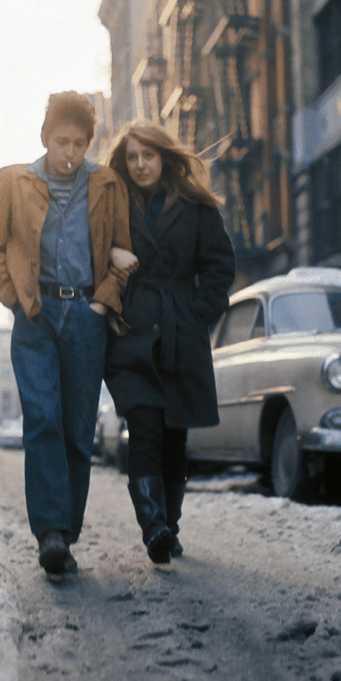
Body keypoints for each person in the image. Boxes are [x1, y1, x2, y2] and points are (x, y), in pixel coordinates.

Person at [0, 91, 134, 576]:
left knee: (78, 425)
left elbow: (122, 255)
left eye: (80, 143)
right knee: (43, 416)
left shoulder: (108, 184)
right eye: (61, 141)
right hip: (36, 316)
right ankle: (49, 533)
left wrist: (103, 300)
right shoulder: (11, 182)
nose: (69, 152)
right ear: (45, 138)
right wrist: (19, 300)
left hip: (86, 315)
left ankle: (67, 531)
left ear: (90, 143)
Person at [104, 121, 235, 563]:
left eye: (148, 156)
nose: (140, 165)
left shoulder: (197, 207)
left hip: (181, 329)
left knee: (175, 434)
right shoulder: (113, 207)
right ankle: (153, 527)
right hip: (132, 332)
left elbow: (219, 267)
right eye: (132, 158)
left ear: (164, 158)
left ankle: (170, 526)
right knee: (143, 428)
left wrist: (198, 317)